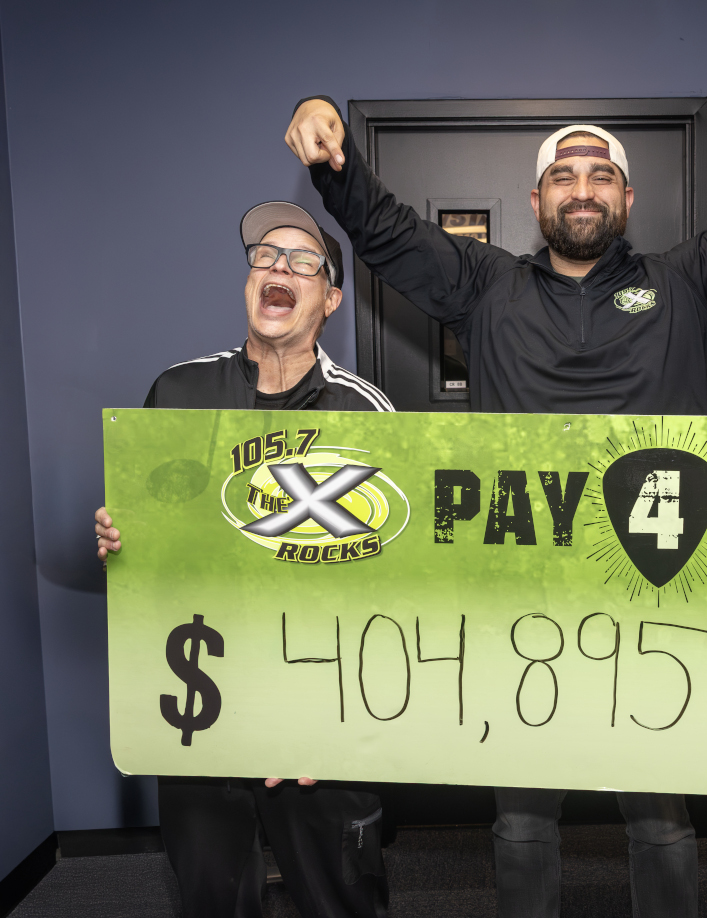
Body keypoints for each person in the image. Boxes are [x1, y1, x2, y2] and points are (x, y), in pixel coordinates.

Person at [283, 56, 707, 918]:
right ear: (539, 198)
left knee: (659, 817)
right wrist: (331, 152)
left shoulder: (687, 281)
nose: (582, 188)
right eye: (563, 175)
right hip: (524, 594)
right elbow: (387, 231)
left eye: (601, 175)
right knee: (522, 817)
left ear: (625, 200)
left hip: (658, 589)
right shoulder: (485, 286)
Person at [95, 201, 394, 918]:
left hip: (321, 717)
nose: (278, 267)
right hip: (201, 701)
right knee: (211, 899)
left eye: (302, 260)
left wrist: (334, 725)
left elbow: (393, 586)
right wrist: (119, 543)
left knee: (340, 902)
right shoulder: (176, 394)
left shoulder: (368, 415)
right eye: (265, 255)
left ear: (331, 298)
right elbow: (152, 555)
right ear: (248, 282)